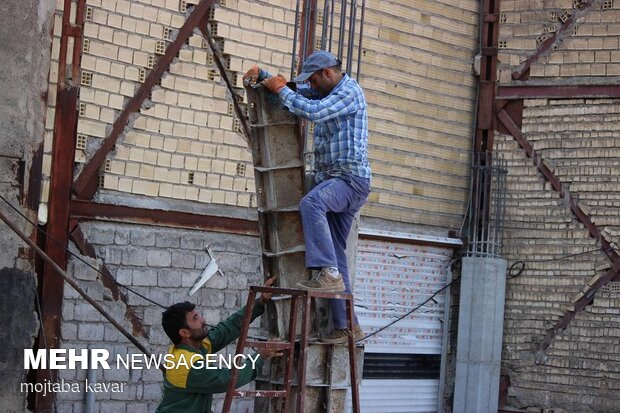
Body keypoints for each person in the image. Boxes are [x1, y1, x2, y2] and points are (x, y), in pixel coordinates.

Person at [243, 50, 371, 345]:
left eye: (313, 80)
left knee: (312, 202)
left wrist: (278, 89)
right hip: (339, 180)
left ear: (327, 73)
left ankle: (327, 273)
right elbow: (299, 93)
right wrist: (266, 78)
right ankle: (348, 327)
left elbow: (312, 112)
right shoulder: (325, 91)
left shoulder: (349, 92)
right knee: (338, 254)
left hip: (349, 180)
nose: (311, 86)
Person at [156, 277, 280, 413]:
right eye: (195, 319)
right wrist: (260, 356)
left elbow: (228, 328)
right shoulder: (188, 365)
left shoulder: (197, 345)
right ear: (185, 332)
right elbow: (229, 379)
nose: (203, 320)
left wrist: (260, 302)